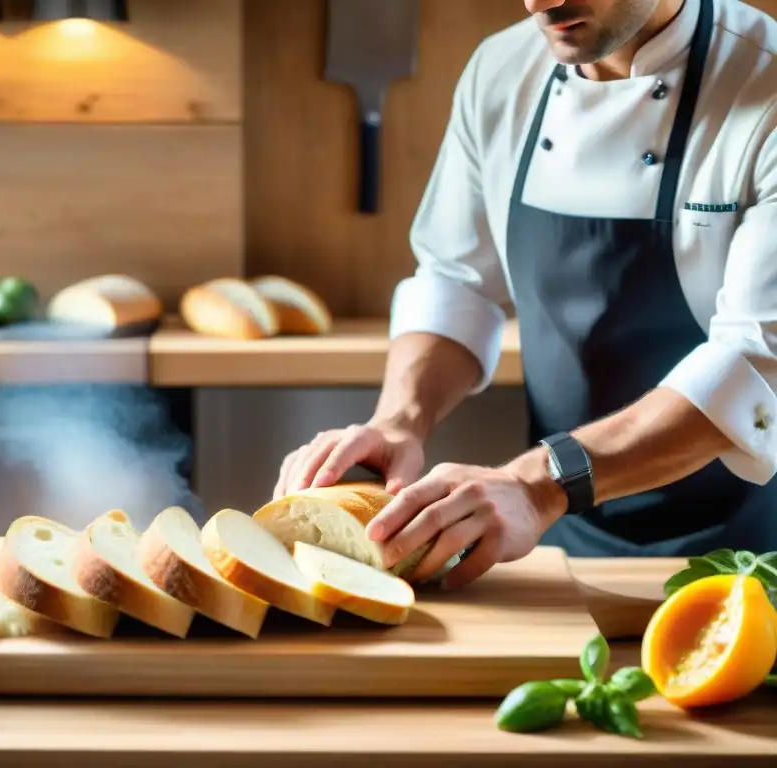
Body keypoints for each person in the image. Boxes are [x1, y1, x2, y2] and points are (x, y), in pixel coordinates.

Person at [273, 0, 777, 589]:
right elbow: (457, 278)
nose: (540, 2)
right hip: (557, 535)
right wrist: (399, 419)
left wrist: (540, 483)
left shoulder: (764, 84)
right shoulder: (502, 68)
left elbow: (757, 359)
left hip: (750, 549)